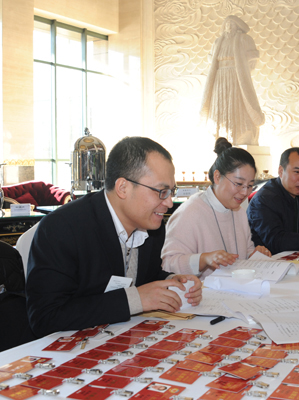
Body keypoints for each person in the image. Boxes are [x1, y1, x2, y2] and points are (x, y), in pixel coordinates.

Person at [26, 137, 202, 338]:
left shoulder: (153, 227)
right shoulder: (62, 228)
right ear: (123, 188)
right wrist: (135, 300)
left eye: (171, 191)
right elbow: (45, 317)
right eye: (161, 192)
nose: (169, 203)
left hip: (121, 339)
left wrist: (171, 281)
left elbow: (144, 278)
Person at [162, 138, 270, 278]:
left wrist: (255, 254)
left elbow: (245, 251)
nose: (245, 192)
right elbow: (168, 264)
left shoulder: (239, 212)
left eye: (250, 186)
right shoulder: (190, 212)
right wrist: (203, 259)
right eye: (238, 184)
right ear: (217, 177)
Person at [199, 15, 265, 146]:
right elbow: (212, 59)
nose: (229, 26)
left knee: (238, 101)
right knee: (220, 103)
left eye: (232, 24)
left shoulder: (244, 39)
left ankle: (240, 134)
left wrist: (243, 70)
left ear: (237, 27)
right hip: (219, 77)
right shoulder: (218, 42)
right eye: (227, 24)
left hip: (237, 76)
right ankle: (220, 135)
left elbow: (252, 59)